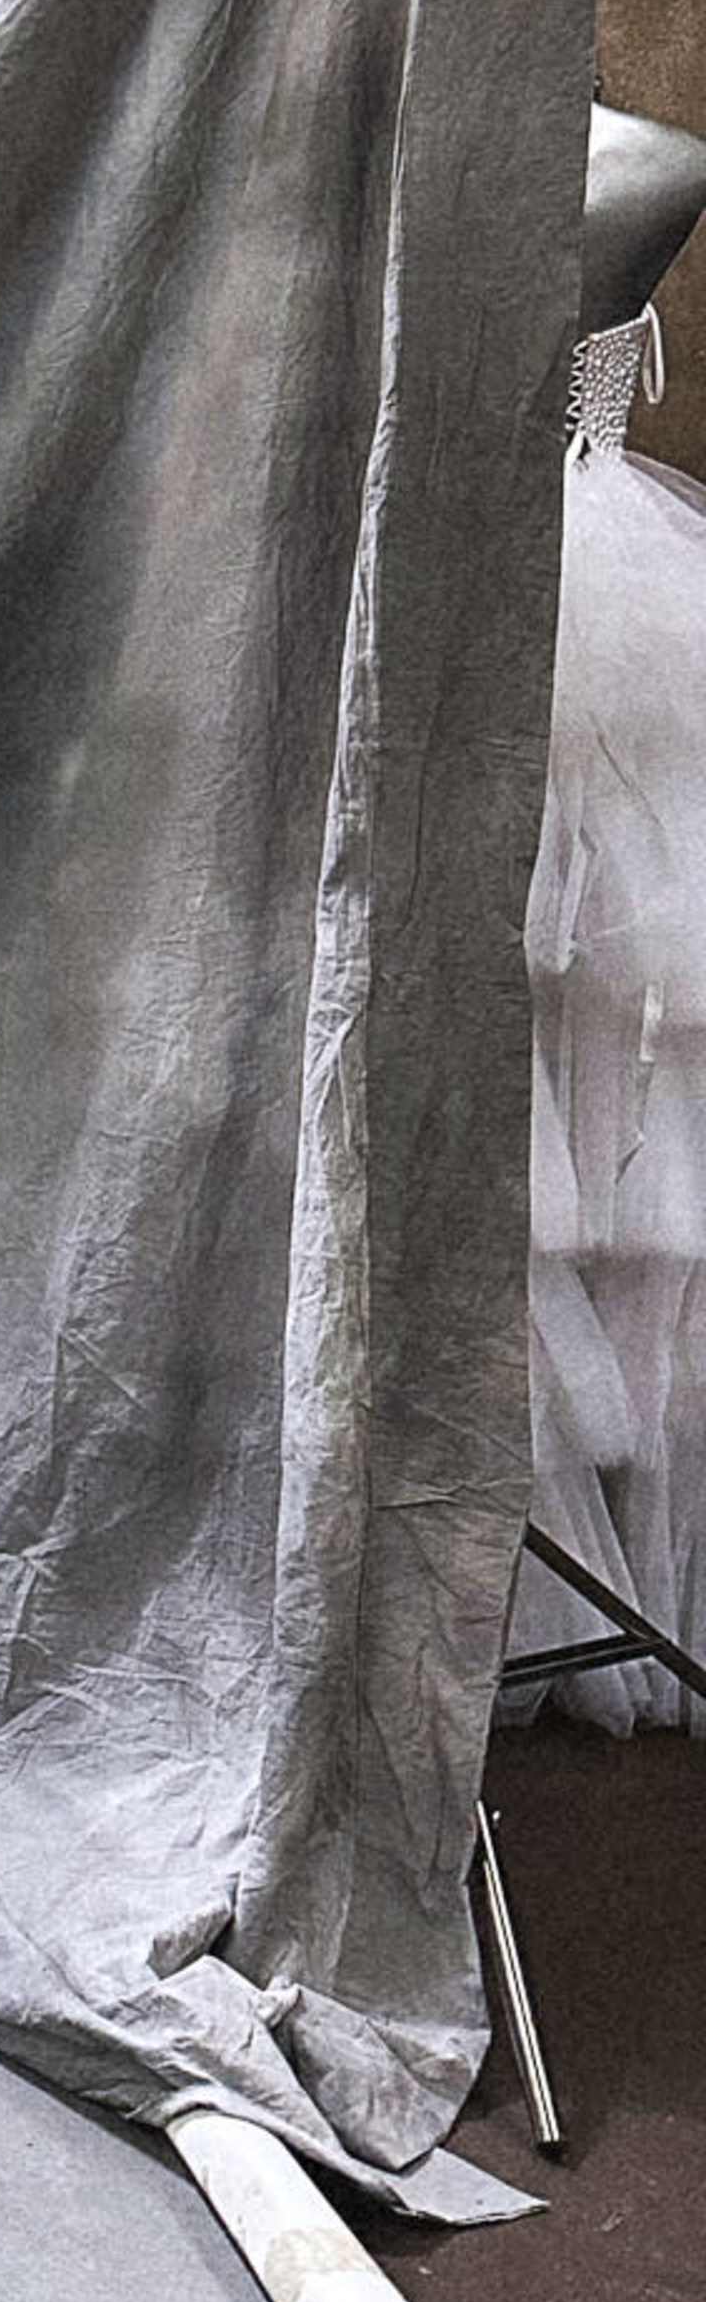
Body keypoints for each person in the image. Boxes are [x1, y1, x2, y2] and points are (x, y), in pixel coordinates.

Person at [518, 105, 706, 1723]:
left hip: (583, 593)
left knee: (612, 1081)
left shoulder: (654, 156)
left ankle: (595, 1569)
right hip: (482, 577)